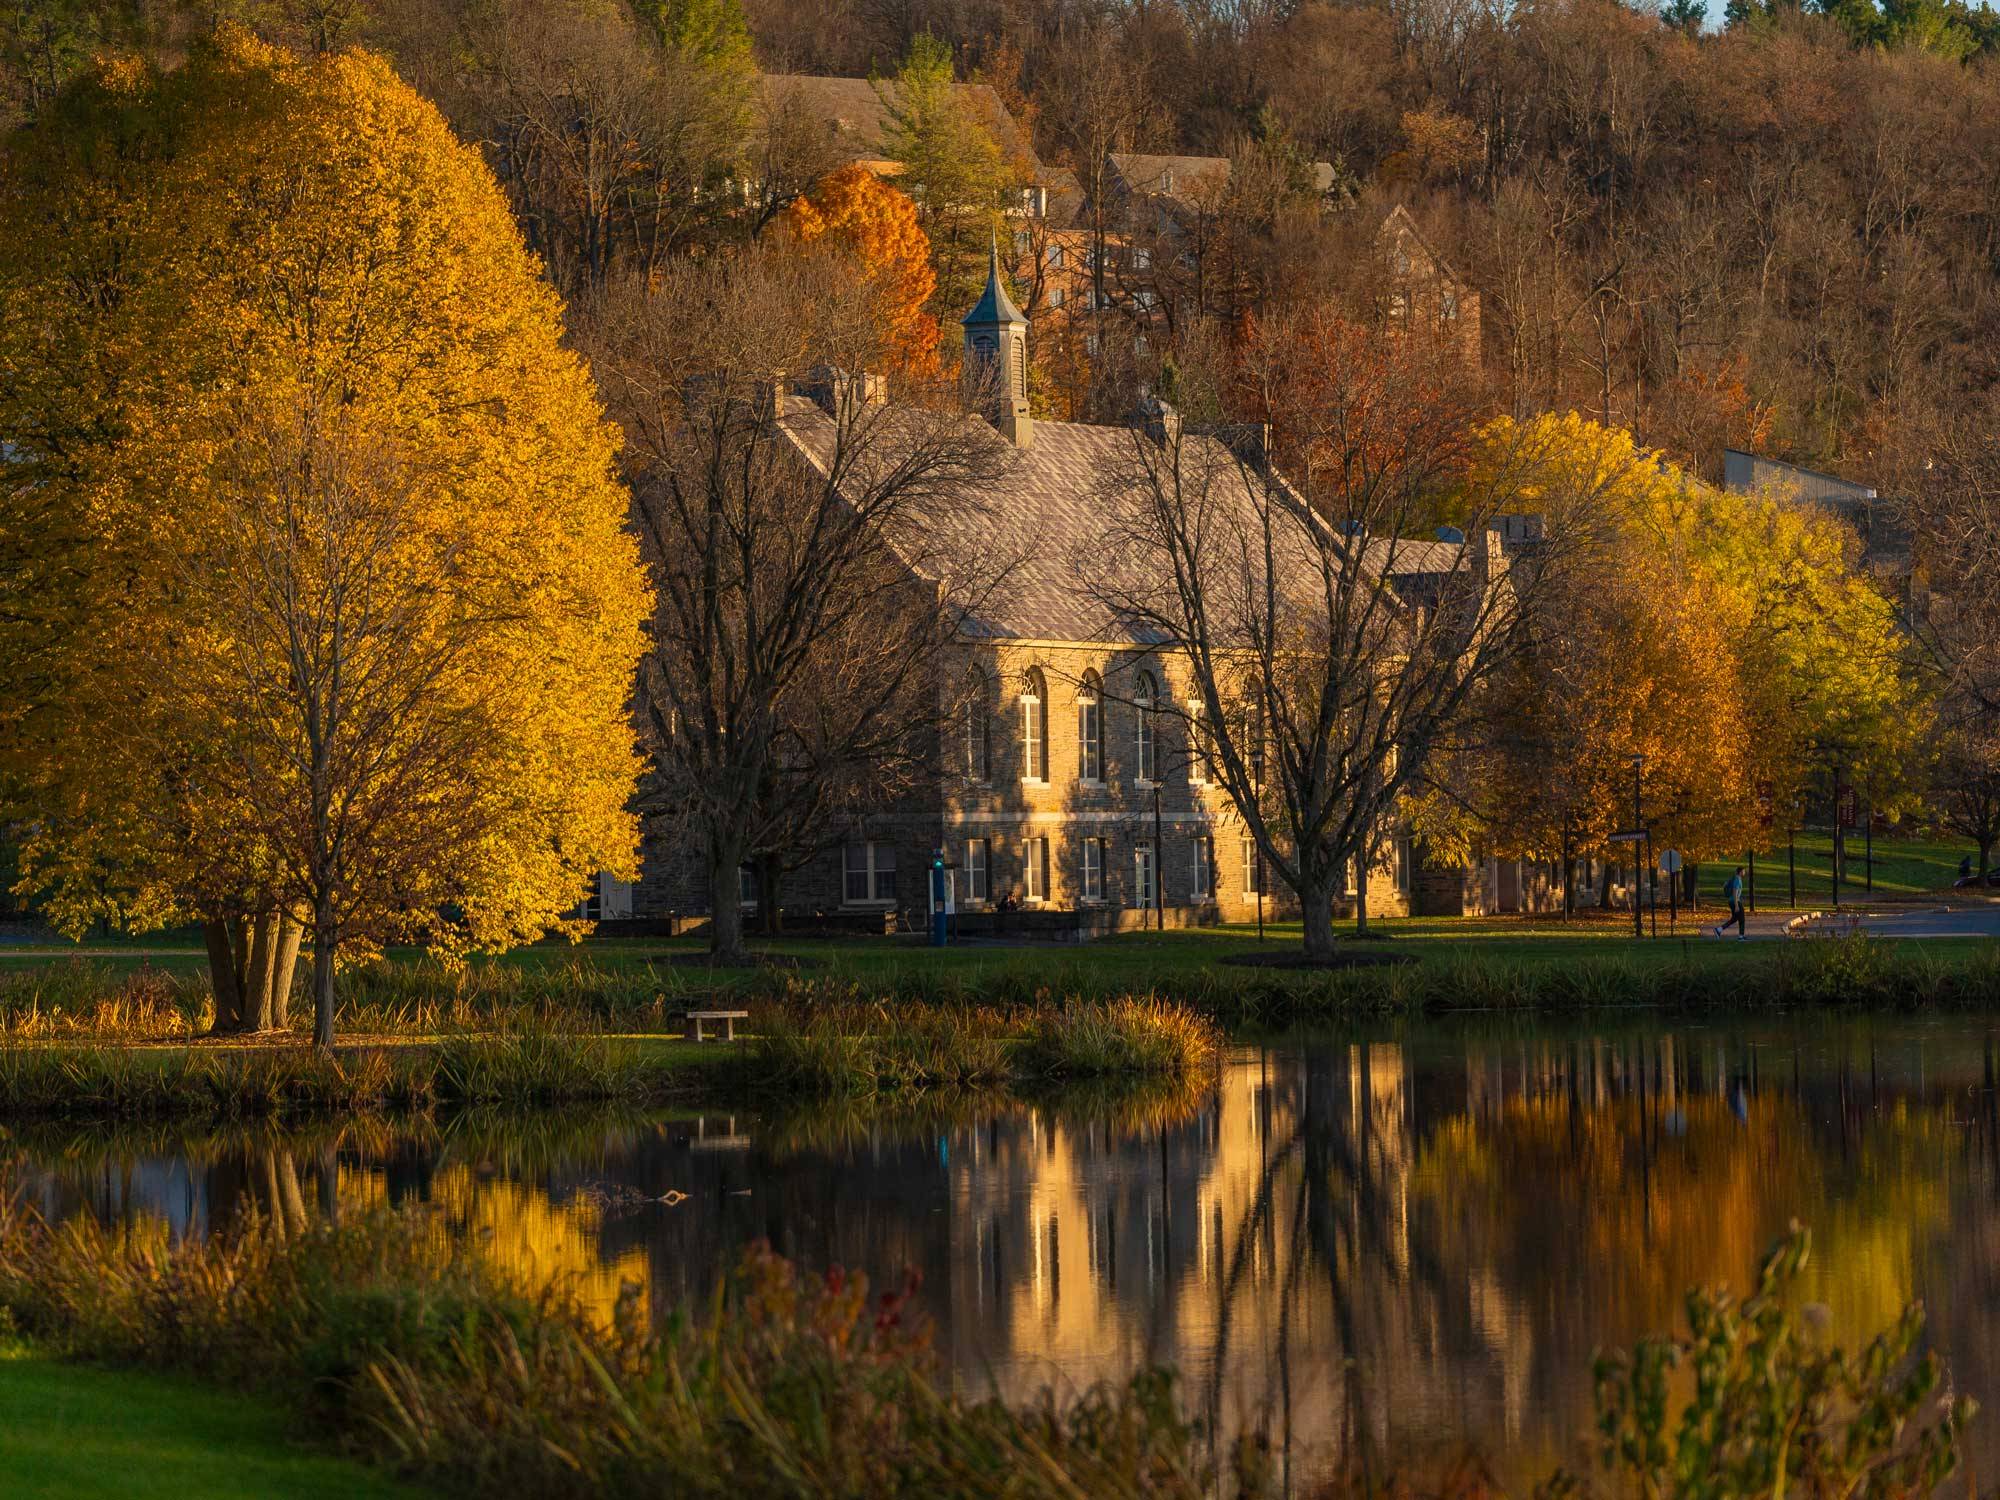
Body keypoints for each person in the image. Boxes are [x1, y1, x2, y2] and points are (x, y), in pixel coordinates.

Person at [1713, 866, 1747, 939]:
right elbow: (1735, 892)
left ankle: (1718, 930)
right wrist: (1736, 905)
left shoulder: (1735, 878)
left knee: (1734, 919)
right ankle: (1741, 937)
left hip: (1732, 901)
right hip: (1735, 901)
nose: (1745, 872)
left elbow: (1725, 885)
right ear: (1740, 872)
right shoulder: (1737, 879)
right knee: (1742, 919)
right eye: (1744, 871)